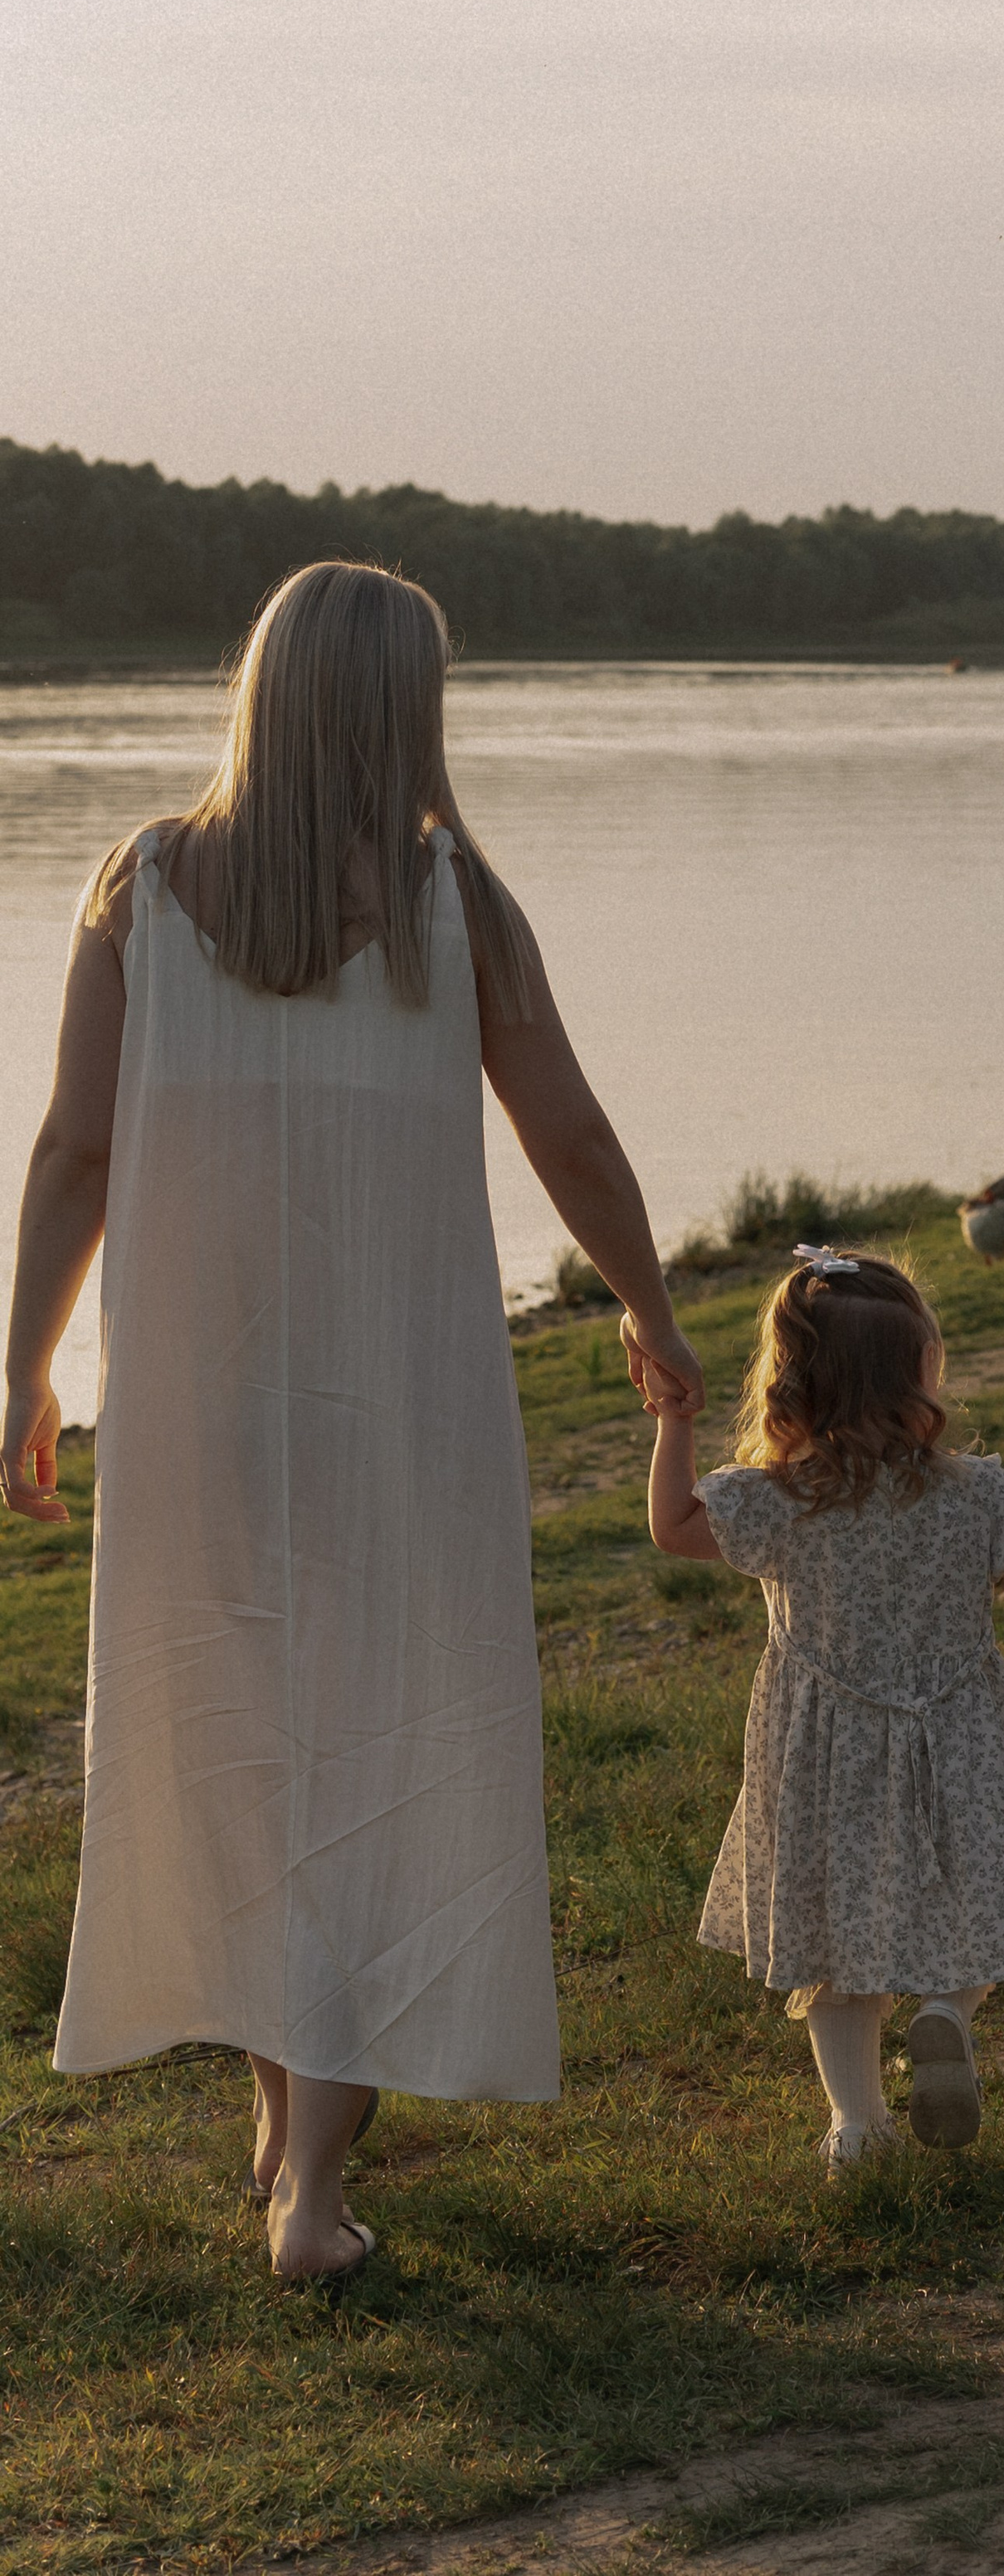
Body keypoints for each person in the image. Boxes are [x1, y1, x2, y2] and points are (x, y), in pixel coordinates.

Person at [1, 561, 704, 2282]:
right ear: (407, 712)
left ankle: (281, 2136)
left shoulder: (142, 889)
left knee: (240, 1735)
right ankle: (311, 2187)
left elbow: (73, 1152)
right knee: (371, 1753)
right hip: (405, 1417)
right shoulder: (454, 903)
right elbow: (579, 1145)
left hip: (193, 1416)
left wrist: (25, 1363)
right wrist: (651, 1311)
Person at [647, 1245, 1004, 2170]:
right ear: (922, 1370)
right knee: (975, 1898)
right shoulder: (968, 1493)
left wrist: (672, 1420)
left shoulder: (781, 1501)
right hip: (960, 1733)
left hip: (823, 1749)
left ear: (788, 1380)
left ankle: (857, 2129)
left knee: (833, 1940)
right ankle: (948, 2009)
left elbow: (674, 1528)